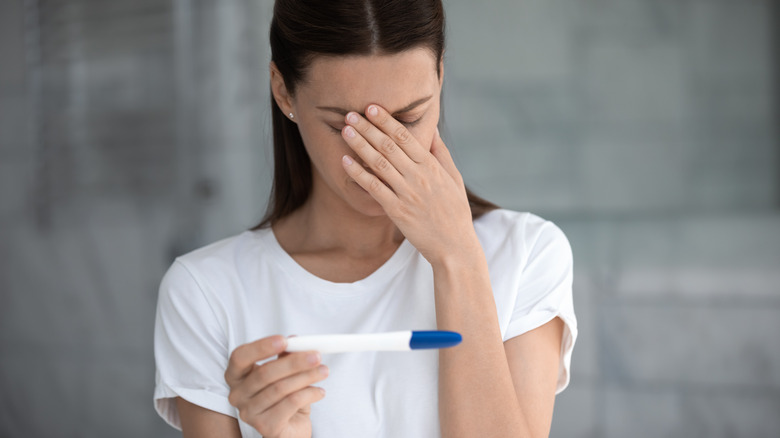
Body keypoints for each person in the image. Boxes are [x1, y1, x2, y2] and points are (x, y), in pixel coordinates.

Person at [153, 0, 577, 437]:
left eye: (409, 118)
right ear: (283, 92)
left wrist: (458, 258)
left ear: (441, 77)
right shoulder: (205, 292)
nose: (376, 157)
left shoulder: (525, 254)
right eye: (343, 127)